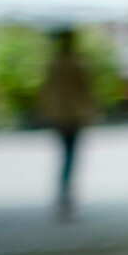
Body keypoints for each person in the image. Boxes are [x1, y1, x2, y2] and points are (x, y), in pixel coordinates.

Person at [35, 28, 97, 220]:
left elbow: (47, 89)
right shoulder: (78, 62)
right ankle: (66, 192)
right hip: (73, 113)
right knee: (71, 154)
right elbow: (85, 89)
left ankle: (64, 191)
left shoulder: (54, 63)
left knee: (65, 154)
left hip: (59, 113)